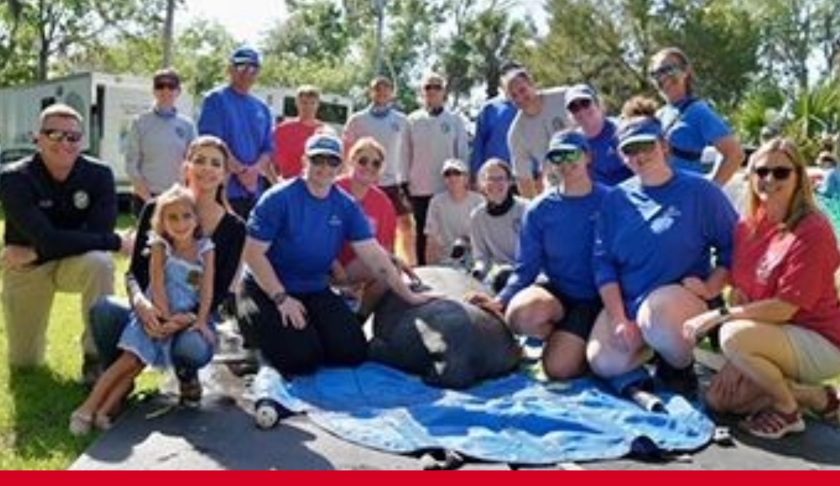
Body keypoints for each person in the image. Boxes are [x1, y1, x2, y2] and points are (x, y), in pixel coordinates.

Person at [238, 133, 434, 377]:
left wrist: (409, 296)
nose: (324, 167)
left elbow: (374, 255)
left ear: (339, 166)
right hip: (268, 289)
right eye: (317, 159)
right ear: (304, 161)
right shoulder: (278, 198)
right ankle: (252, 335)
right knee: (301, 360)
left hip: (314, 286)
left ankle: (307, 334)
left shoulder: (345, 205)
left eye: (331, 161)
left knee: (352, 352)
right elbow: (253, 254)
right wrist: (281, 298)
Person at [684, 138, 840, 439]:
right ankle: (815, 397)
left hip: (820, 340)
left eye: (781, 172)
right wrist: (736, 359)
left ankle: (788, 410)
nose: (769, 179)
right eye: (761, 171)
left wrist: (719, 319)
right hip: (770, 336)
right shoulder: (748, 226)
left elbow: (784, 309)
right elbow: (742, 290)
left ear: (798, 177)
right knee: (721, 400)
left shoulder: (813, 231)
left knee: (732, 334)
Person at [586, 106, 738, 394]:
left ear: (664, 146)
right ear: (621, 156)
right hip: (631, 303)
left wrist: (710, 288)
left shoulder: (702, 192)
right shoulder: (615, 200)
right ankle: (653, 350)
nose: (639, 155)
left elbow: (733, 247)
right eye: (630, 150)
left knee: (657, 317)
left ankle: (679, 367)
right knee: (602, 363)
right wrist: (619, 319)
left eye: (646, 145)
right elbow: (603, 263)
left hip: (676, 303)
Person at [91, 135, 246, 406]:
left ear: (224, 174)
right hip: (153, 308)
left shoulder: (234, 228)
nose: (206, 168)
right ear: (186, 166)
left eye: (215, 163)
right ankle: (115, 377)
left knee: (191, 347)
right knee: (104, 309)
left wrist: (185, 318)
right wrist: (141, 304)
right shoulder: (156, 208)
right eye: (199, 160)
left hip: (193, 316)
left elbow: (219, 291)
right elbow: (134, 274)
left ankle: (187, 376)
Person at [70, 185, 216, 435]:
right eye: (172, 218)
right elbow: (156, 282)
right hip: (154, 317)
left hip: (179, 320)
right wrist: (164, 319)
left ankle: (105, 410)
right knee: (126, 361)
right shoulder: (161, 246)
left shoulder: (205, 249)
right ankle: (86, 408)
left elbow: (207, 290)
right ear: (162, 222)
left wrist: (200, 320)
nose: (180, 223)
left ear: (196, 218)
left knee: (136, 365)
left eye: (186, 216)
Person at [0, 104, 129, 383]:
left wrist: (36, 250)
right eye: (54, 134)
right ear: (38, 138)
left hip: (39, 257)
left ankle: (96, 358)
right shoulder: (14, 178)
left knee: (100, 262)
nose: (64, 143)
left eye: (72, 137)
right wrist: (115, 241)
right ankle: (32, 349)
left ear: (82, 141)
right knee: (25, 363)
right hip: (27, 270)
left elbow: (97, 233)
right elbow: (90, 237)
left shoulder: (100, 175)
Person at [471, 131, 608, 380]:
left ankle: (581, 343)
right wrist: (501, 301)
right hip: (558, 291)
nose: (565, 162)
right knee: (520, 315)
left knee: (558, 369)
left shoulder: (612, 200)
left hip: (599, 299)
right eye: (557, 156)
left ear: (588, 156)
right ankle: (566, 335)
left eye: (572, 154)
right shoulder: (539, 209)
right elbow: (526, 268)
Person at [344, 76, 415, 265]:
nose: (382, 93)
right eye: (377, 89)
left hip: (392, 181)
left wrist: (407, 176)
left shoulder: (402, 120)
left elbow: (410, 149)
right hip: (362, 183)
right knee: (366, 225)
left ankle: (409, 266)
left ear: (392, 93)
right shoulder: (357, 119)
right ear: (371, 92)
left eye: (386, 89)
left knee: (405, 225)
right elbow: (347, 149)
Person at [649, 47, 744, 185]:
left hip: (685, 198)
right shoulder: (659, 114)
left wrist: (711, 190)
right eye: (655, 73)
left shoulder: (698, 111)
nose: (662, 77)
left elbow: (735, 154)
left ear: (685, 71)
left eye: (668, 70)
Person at [198, 46, 275, 218]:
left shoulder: (262, 108)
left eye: (252, 68)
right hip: (222, 190)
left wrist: (254, 171)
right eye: (241, 66)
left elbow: (268, 148)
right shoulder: (216, 99)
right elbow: (212, 143)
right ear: (230, 69)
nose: (247, 72)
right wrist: (241, 172)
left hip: (255, 192)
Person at [404, 72, 470, 266]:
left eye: (437, 87)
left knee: (448, 232)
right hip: (420, 188)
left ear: (444, 92)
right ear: (422, 92)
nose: (432, 91)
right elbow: (405, 153)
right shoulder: (412, 120)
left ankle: (453, 270)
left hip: (447, 186)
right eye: (428, 87)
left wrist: (464, 180)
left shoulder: (455, 120)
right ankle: (424, 273)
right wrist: (405, 182)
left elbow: (463, 153)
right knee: (423, 233)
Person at [333, 137, 398, 316]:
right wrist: (335, 266)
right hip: (322, 262)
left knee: (388, 269)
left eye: (376, 163)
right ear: (351, 161)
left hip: (353, 268)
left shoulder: (383, 203)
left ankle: (360, 318)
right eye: (363, 161)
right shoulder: (332, 188)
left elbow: (384, 249)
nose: (369, 166)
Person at [125, 68, 197, 215]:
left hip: (177, 198)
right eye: (160, 86)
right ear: (154, 90)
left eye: (171, 86)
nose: (165, 90)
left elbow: (193, 164)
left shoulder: (187, 125)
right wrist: (149, 200)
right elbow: (131, 164)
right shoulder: (139, 122)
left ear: (178, 91)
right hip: (146, 198)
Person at [505, 64, 570, 199]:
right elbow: (523, 178)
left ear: (532, 84)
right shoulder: (516, 133)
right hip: (557, 185)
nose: (520, 98)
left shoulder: (565, 96)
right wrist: (532, 208)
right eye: (514, 96)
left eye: (522, 90)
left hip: (590, 173)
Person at [468, 159, 526, 291]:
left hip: (528, 272)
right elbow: (481, 257)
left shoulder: (527, 210)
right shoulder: (477, 217)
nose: (495, 184)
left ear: (510, 182)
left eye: (500, 179)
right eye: (490, 179)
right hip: (498, 275)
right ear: (482, 183)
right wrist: (477, 272)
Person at [565, 84, 632, 186]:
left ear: (598, 104)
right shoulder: (573, 143)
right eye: (574, 107)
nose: (581, 111)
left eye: (585, 103)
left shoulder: (622, 129)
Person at [424, 159, 483, 266]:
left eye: (457, 173)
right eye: (448, 174)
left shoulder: (479, 201)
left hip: (476, 261)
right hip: (446, 262)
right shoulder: (436, 202)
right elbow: (431, 239)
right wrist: (431, 268)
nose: (452, 177)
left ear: (466, 178)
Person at [469, 63, 520, 176]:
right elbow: (478, 145)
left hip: (527, 176)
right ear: (501, 80)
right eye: (507, 75)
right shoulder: (490, 108)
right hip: (493, 178)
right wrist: (476, 175)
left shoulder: (529, 105)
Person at [272, 85, 325, 180]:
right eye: (304, 103)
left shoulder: (324, 132)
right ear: (296, 103)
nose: (308, 107)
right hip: (286, 183)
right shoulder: (282, 129)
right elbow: (269, 160)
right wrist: (275, 182)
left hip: (314, 186)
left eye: (312, 103)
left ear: (318, 105)